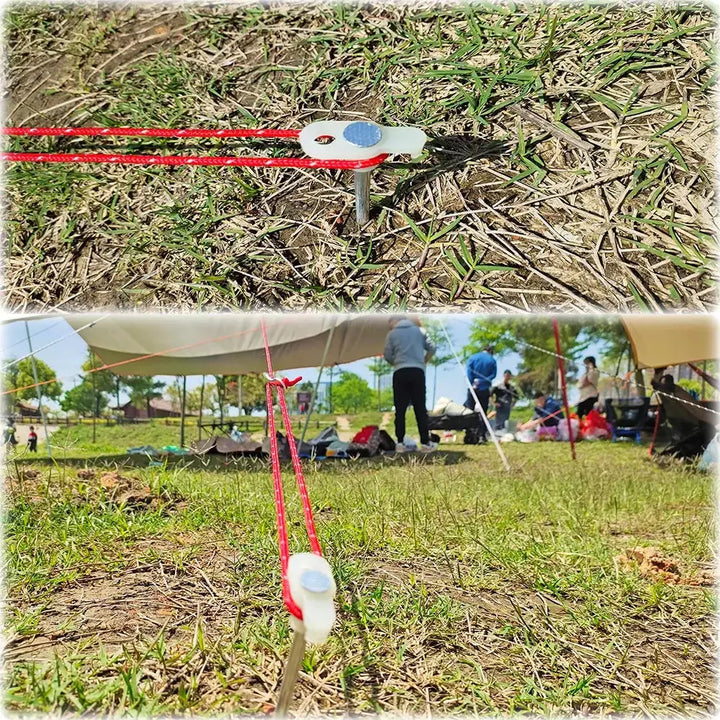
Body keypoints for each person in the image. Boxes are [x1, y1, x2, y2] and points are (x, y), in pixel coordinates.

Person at [384, 316, 437, 453]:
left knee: (400, 410)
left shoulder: (392, 334)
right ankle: (425, 443)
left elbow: (387, 355)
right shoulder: (420, 331)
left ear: (395, 321)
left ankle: (400, 443)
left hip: (400, 372)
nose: (390, 326)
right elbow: (432, 347)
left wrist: (396, 363)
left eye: (390, 323)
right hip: (417, 371)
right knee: (420, 408)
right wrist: (424, 360)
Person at [463, 344, 497, 443]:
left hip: (473, 388)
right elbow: (493, 374)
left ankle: (469, 434)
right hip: (484, 388)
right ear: (491, 351)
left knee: (469, 411)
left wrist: (472, 382)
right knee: (483, 412)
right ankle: (482, 435)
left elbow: (469, 372)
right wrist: (483, 381)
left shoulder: (473, 357)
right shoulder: (492, 360)